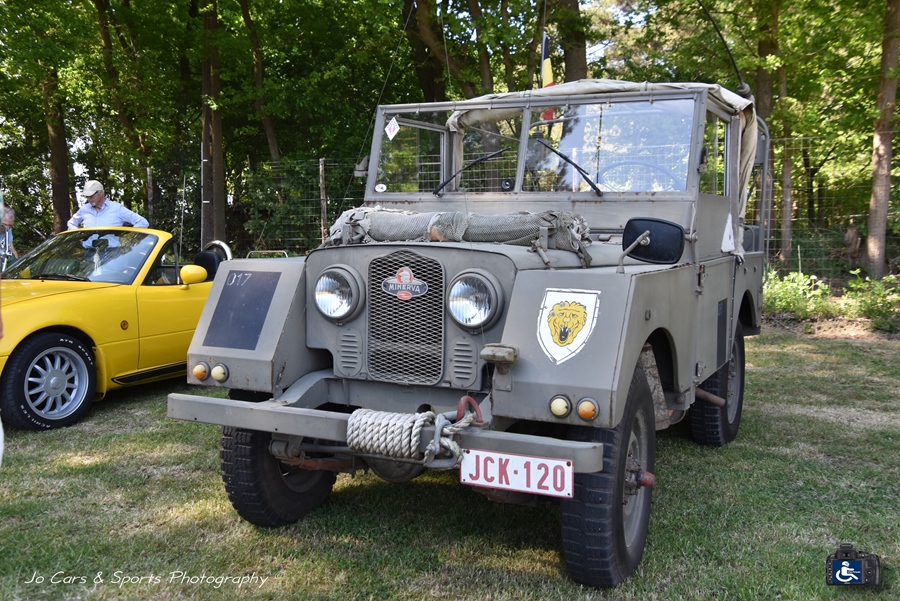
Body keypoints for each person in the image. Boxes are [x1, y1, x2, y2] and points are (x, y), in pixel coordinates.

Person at [67, 180, 149, 230]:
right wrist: (78, 235)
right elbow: (71, 223)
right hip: (89, 251)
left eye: (91, 196)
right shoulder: (84, 209)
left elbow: (142, 222)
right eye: (87, 196)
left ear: (100, 193)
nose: (89, 199)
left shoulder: (116, 208)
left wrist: (129, 238)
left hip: (113, 251)